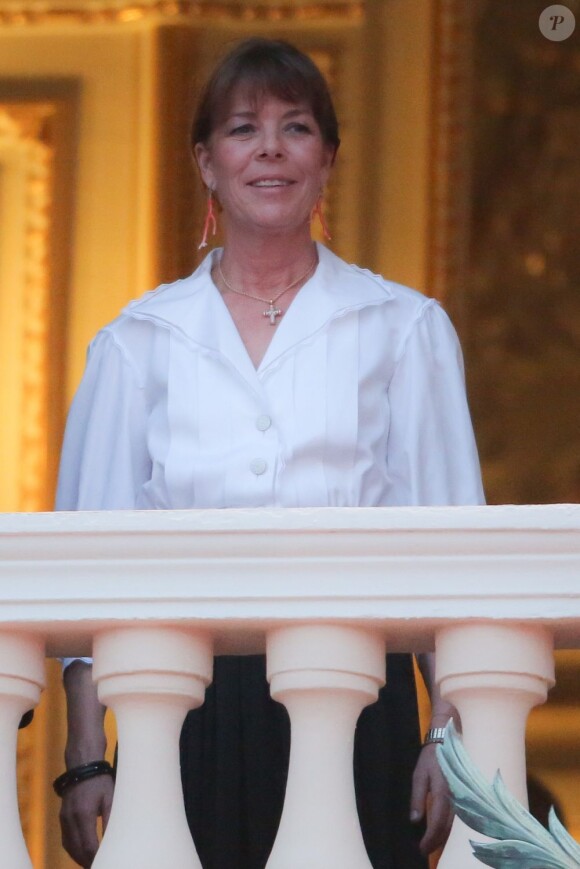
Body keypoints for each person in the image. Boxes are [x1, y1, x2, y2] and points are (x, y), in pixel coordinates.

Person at [55, 37, 485, 869]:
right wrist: (85, 753)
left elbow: (454, 554)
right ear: (206, 163)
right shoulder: (137, 341)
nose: (270, 150)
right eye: (243, 129)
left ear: (328, 159)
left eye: (296, 129)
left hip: (364, 696)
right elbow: (85, 568)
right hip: (178, 702)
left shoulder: (404, 327)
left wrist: (448, 733)